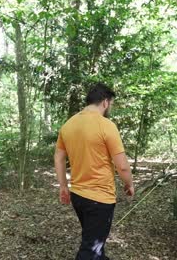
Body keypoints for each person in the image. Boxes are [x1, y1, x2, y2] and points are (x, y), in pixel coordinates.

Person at [54, 83, 134, 260]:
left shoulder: (68, 125)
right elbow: (122, 166)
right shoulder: (106, 125)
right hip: (100, 199)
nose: (109, 108)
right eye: (110, 104)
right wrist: (129, 184)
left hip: (78, 196)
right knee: (91, 250)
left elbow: (59, 157)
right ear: (105, 102)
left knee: (95, 241)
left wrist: (63, 187)